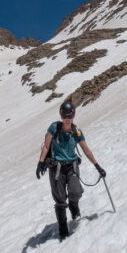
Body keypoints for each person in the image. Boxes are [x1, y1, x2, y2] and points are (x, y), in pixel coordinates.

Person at [36, 101, 106, 241]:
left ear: (73, 115)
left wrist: (97, 166)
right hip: (56, 168)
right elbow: (46, 147)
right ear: (61, 115)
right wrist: (41, 162)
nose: (67, 118)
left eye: (70, 115)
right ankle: (63, 231)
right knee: (60, 199)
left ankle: (74, 206)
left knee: (76, 191)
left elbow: (86, 150)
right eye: (65, 115)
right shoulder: (54, 128)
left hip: (72, 166)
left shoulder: (76, 131)